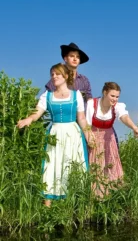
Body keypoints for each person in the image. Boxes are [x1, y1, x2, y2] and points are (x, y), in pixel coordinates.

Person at [17, 63, 90, 206]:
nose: (54, 76)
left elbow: (81, 118)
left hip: (73, 133)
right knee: (51, 165)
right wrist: (28, 119)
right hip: (55, 132)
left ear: (66, 76)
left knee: (73, 163)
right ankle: (47, 207)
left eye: (57, 74)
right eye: (52, 74)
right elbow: (37, 113)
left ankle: (73, 205)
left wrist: (88, 134)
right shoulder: (47, 96)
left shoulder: (76, 95)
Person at [86, 82, 138, 196]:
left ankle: (113, 194)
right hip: (93, 136)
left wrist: (134, 127)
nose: (115, 99)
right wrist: (89, 139)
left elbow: (124, 117)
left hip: (109, 138)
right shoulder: (92, 104)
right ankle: (96, 196)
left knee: (111, 164)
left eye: (117, 96)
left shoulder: (117, 106)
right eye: (112, 96)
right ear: (104, 93)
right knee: (96, 165)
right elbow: (87, 124)